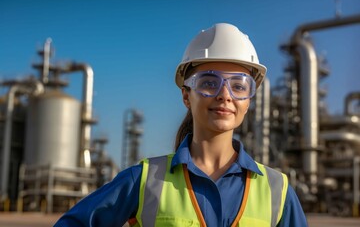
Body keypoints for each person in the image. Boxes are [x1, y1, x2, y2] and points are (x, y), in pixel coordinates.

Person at [54, 23, 308, 227]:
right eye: (209, 82)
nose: (225, 95)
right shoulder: (144, 180)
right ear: (187, 96)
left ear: (249, 100)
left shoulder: (278, 191)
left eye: (239, 86)